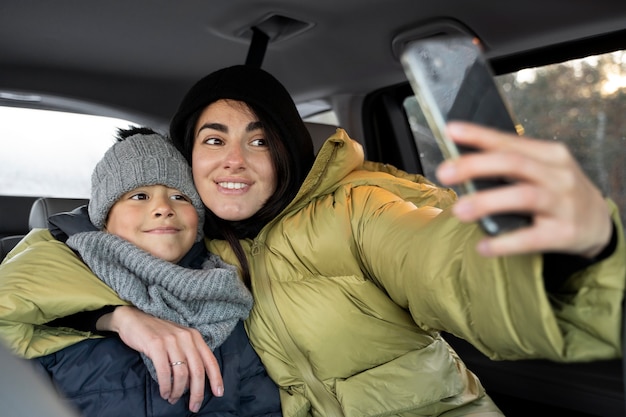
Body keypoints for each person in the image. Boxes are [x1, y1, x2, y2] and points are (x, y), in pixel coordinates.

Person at [5, 65, 625, 416]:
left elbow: (445, 261)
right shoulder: (198, 249)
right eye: (213, 139)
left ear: (285, 151)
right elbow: (41, 284)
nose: (235, 161)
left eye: (259, 138)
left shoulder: (357, 208)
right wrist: (117, 315)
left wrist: (566, 256)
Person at [0, 127, 282, 417]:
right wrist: (113, 317)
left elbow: (260, 405)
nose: (163, 208)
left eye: (180, 197)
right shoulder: (50, 274)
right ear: (104, 217)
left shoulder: (223, 296)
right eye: (139, 196)